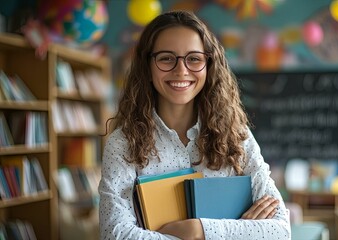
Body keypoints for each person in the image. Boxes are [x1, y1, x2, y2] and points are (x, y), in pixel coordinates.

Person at [98, 10, 291, 240]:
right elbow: (116, 235)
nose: (181, 70)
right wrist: (238, 231)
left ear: (209, 66)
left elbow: (279, 231)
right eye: (166, 58)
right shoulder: (123, 144)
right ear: (147, 66)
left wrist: (198, 231)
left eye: (194, 58)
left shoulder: (237, 136)